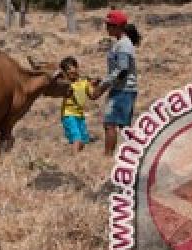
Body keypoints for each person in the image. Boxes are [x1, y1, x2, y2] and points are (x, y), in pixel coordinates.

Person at [90, 9, 139, 157]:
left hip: (122, 90)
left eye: (110, 25)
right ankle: (134, 154)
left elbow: (122, 70)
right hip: (123, 89)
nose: (107, 28)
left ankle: (108, 156)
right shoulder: (121, 43)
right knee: (124, 126)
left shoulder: (123, 45)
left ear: (118, 27)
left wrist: (103, 86)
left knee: (110, 123)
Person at [58, 56, 94, 152]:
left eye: (71, 68)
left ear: (77, 67)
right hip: (68, 114)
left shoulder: (84, 82)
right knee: (76, 138)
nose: (69, 71)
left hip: (80, 115)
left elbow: (92, 95)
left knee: (83, 141)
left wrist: (97, 85)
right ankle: (75, 162)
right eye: (66, 70)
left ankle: (75, 157)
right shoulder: (66, 84)